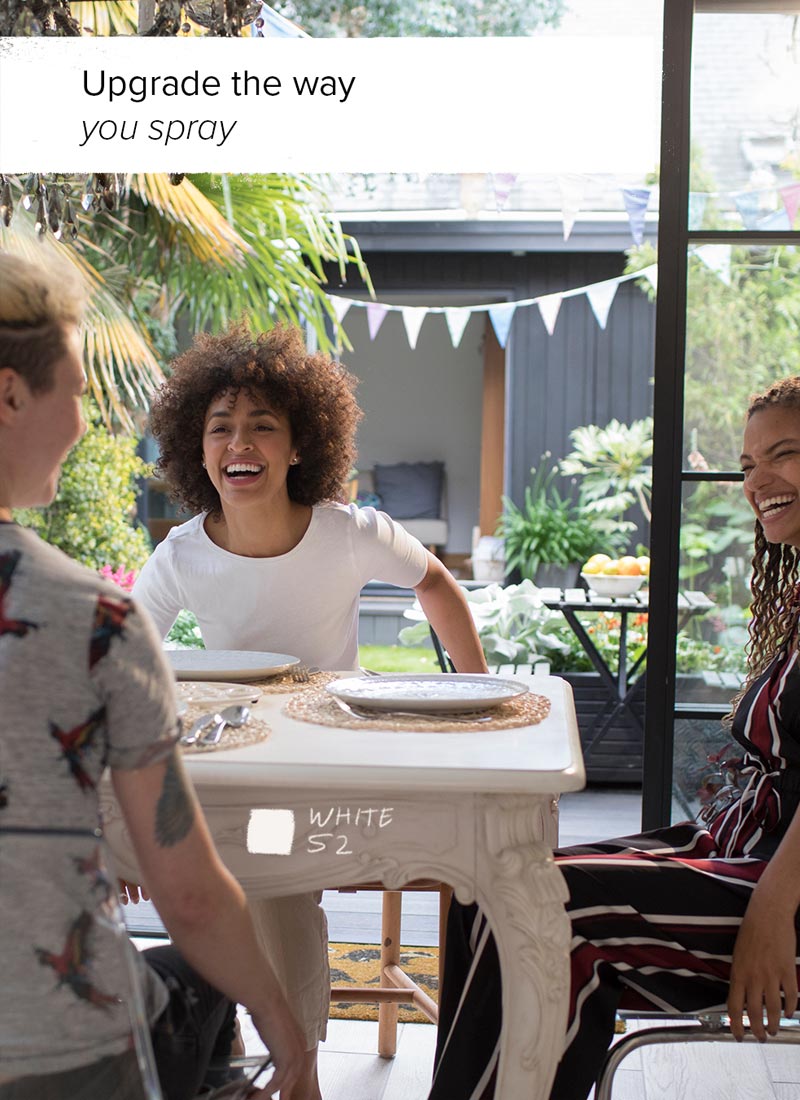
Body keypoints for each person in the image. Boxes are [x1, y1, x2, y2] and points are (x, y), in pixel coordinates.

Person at [132, 322, 488, 1100]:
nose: (240, 440)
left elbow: (435, 584)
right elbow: (129, 663)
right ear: (199, 449)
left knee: (261, 870)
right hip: (243, 769)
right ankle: (274, 1063)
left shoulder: (348, 533)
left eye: (263, 424)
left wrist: (473, 690)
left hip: (341, 773)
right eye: (220, 425)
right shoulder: (182, 553)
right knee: (247, 861)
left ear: (299, 447)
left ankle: (281, 1067)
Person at [428, 376, 800, 1100]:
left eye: (784, 455)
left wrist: (773, 912)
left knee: (555, 910)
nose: (759, 483)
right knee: (490, 889)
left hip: (780, 890)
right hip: (739, 851)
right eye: (750, 466)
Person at [0, 252, 305, 1099]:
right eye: (75, 389)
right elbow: (192, 897)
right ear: (10, 396)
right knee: (206, 982)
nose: (83, 421)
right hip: (53, 1055)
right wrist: (290, 1031)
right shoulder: (93, 621)